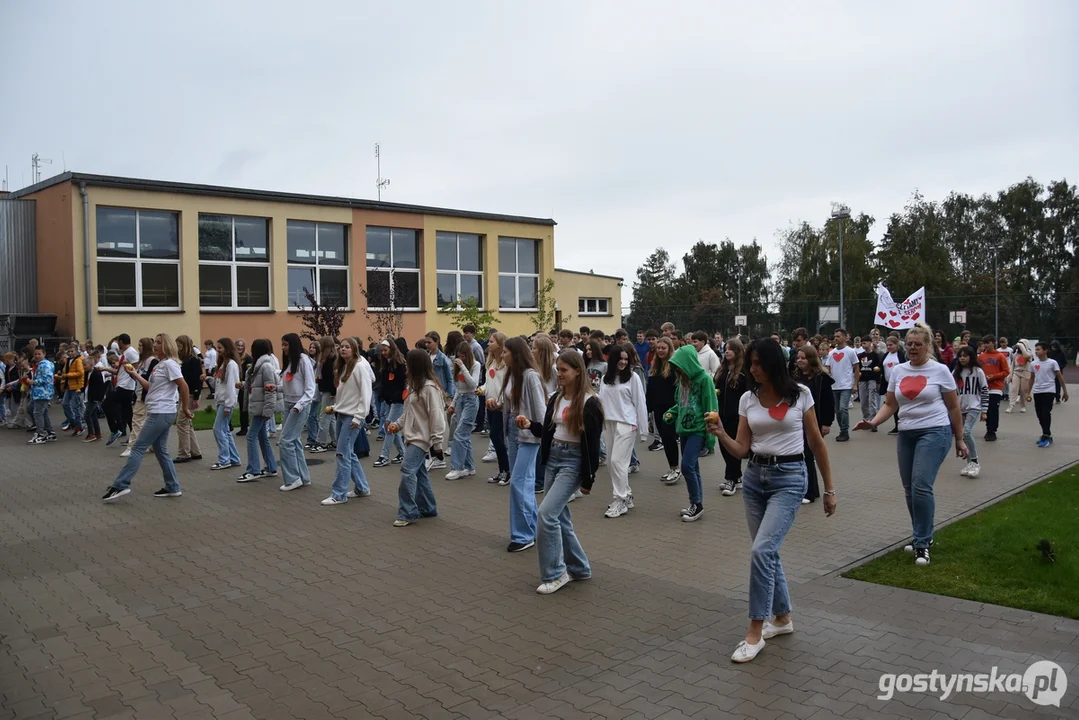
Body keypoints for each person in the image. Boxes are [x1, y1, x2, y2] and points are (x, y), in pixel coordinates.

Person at [708, 338, 836, 663]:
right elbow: (741, 449)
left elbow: (817, 444)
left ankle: (755, 632)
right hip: (754, 480)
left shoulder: (800, 395)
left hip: (790, 478)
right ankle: (782, 618)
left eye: (758, 363)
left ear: (773, 364)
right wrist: (722, 434)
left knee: (762, 551)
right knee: (767, 553)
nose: (752, 369)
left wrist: (829, 490)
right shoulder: (747, 398)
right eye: (750, 363)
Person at [855, 322, 968, 566]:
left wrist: (959, 439)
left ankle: (922, 543)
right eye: (911, 344)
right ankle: (922, 534)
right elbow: (890, 404)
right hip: (907, 434)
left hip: (935, 432)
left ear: (928, 346)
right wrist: (872, 422)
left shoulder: (939, 371)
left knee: (920, 485)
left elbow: (953, 407)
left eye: (918, 344)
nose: (913, 348)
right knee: (909, 488)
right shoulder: (899, 371)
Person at [534, 350, 603, 594]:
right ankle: (580, 567)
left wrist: (589, 479)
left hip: (573, 462)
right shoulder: (556, 397)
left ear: (577, 371)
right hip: (554, 457)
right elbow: (547, 429)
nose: (559, 373)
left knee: (546, 514)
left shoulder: (589, 402)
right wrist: (529, 424)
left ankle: (555, 573)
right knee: (559, 517)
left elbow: (593, 444)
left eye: (563, 370)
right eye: (558, 369)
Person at [102, 334, 193, 502]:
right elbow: (151, 387)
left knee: (137, 448)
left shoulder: (170, 364)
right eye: (155, 342)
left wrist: (185, 408)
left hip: (162, 412)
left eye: (159, 343)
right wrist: (134, 374)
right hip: (157, 411)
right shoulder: (160, 365)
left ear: (166, 346)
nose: (155, 345)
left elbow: (183, 385)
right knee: (161, 450)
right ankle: (173, 487)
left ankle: (121, 484)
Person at [501, 337, 547, 551]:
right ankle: (536, 529)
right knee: (524, 483)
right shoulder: (511, 374)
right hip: (513, 429)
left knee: (518, 482)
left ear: (515, 354)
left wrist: (537, 430)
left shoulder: (531, 377)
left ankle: (523, 535)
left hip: (528, 433)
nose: (502, 355)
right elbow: (512, 403)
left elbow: (541, 410)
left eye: (505, 352)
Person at [391, 350, 446, 526]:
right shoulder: (413, 385)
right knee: (419, 473)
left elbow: (436, 416)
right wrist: (397, 424)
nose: (405, 365)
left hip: (421, 438)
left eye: (408, 363)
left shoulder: (430, 388)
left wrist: (437, 442)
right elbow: (409, 412)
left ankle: (407, 512)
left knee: (407, 471)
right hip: (412, 435)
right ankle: (429, 507)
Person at [661, 344, 715, 521]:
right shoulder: (683, 382)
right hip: (683, 429)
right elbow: (681, 403)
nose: (677, 370)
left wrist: (711, 438)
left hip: (698, 430)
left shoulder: (704, 380)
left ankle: (696, 504)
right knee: (693, 468)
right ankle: (697, 503)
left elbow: (711, 406)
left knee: (686, 467)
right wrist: (672, 413)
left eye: (679, 366)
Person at [320, 337, 373, 504]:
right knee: (348, 453)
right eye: (341, 347)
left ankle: (338, 494)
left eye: (347, 347)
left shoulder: (359, 367)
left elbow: (366, 394)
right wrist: (336, 407)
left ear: (354, 349)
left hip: (353, 417)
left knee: (342, 453)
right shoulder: (343, 367)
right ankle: (362, 488)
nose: (343, 349)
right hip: (342, 414)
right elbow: (347, 395)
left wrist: (359, 417)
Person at [793, 344, 835, 503]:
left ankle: (810, 492)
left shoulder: (821, 378)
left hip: (815, 421)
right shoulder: (796, 377)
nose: (800, 361)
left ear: (811, 359)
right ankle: (806, 488)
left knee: (809, 455)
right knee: (802, 455)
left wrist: (826, 423)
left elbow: (828, 402)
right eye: (798, 358)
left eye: (803, 358)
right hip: (798, 421)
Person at [237, 339, 281, 483]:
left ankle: (253, 470)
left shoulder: (266, 366)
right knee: (262, 437)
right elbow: (257, 386)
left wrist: (268, 411)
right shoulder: (257, 366)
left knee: (251, 436)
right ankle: (270, 466)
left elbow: (270, 390)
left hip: (262, 408)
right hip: (258, 406)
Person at [279, 332, 317, 491]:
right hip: (289, 403)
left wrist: (299, 406)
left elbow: (310, 388)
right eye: (282, 344)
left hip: (299, 406)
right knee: (294, 441)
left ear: (293, 345)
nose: (283, 348)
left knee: (285, 441)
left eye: (286, 345)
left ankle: (293, 478)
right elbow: (291, 384)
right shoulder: (290, 361)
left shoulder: (303, 360)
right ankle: (303, 476)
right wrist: (276, 388)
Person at [715, 338, 748, 497]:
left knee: (733, 446)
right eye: (725, 349)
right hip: (721, 413)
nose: (727, 351)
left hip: (737, 415)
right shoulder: (722, 369)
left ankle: (732, 479)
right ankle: (736, 476)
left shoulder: (743, 372)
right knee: (723, 445)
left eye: (730, 349)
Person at [646, 337, 681, 484]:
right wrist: (648, 409)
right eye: (658, 348)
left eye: (663, 348)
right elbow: (651, 390)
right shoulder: (656, 367)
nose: (660, 350)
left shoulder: (674, 366)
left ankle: (676, 468)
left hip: (671, 409)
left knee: (670, 438)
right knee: (665, 440)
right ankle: (672, 467)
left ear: (669, 349)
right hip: (658, 409)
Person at [447, 342, 481, 479]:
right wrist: (453, 404)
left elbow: (473, 384)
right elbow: (458, 388)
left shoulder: (476, 365)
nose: (460, 358)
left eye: (463, 356)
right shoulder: (457, 368)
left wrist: (463, 367)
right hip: (461, 399)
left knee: (460, 433)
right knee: (464, 435)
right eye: (459, 356)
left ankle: (457, 467)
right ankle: (469, 466)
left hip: (471, 400)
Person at [953, 346, 988, 477]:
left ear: (971, 357)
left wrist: (984, 410)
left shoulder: (978, 371)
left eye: (965, 356)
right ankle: (969, 463)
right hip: (960, 408)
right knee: (962, 436)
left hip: (974, 407)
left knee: (965, 432)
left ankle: (975, 461)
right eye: (960, 356)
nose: (962, 358)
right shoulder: (955, 372)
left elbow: (984, 390)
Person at [1027, 342, 1069, 447]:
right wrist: (1028, 392)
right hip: (1037, 392)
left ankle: (1046, 435)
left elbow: (1060, 377)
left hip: (1049, 391)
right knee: (1039, 414)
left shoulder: (1052, 363)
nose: (1036, 352)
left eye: (1039, 349)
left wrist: (1065, 391)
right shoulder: (1033, 364)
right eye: (1035, 350)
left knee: (1045, 413)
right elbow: (1031, 378)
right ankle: (1046, 434)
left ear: (1045, 350)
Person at [374, 339, 408, 468]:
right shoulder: (386, 365)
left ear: (392, 350)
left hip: (398, 400)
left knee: (389, 426)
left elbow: (401, 383)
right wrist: (383, 396)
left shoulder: (399, 364)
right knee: (393, 428)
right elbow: (384, 382)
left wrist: (396, 397)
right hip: (389, 400)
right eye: (381, 351)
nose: (383, 353)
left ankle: (384, 456)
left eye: (385, 350)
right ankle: (402, 453)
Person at [483, 332, 511, 484]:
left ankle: (507, 470)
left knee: (497, 436)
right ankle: (502, 471)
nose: (488, 344)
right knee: (495, 437)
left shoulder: (506, 365)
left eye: (491, 341)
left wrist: (500, 401)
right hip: (490, 404)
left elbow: (506, 386)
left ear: (500, 344)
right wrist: (482, 389)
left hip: (501, 406)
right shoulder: (491, 362)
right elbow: (489, 383)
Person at [210, 338, 242, 471]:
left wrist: (229, 405)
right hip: (221, 401)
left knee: (218, 429)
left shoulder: (231, 365)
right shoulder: (223, 364)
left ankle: (224, 459)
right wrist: (209, 380)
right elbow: (220, 383)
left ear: (227, 349)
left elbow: (232, 386)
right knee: (225, 431)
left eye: (220, 348)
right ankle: (234, 458)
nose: (218, 351)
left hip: (226, 402)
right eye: (217, 348)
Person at [822, 329, 859, 442]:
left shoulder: (850, 351)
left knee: (843, 408)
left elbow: (856, 367)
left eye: (838, 336)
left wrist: (855, 384)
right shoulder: (832, 353)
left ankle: (844, 431)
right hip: (834, 386)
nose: (836, 338)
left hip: (846, 385)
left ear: (844, 337)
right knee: (837, 410)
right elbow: (827, 368)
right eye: (835, 336)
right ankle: (842, 430)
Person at [174, 336, 204, 463]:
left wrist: (196, 397)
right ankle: (195, 451)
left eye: (179, 345)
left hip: (191, 394)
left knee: (181, 422)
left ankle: (184, 453)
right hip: (184, 393)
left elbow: (198, 380)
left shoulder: (193, 360)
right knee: (187, 423)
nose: (177, 348)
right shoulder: (182, 360)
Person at [977, 335, 1009, 442]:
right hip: (984, 387)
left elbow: (1006, 371)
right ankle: (988, 429)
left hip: (996, 387)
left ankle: (992, 431)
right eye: (985, 343)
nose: (986, 345)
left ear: (994, 343)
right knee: (986, 409)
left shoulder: (1000, 356)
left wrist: (993, 376)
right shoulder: (981, 357)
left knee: (993, 409)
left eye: (988, 342)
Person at [311, 336, 338, 453]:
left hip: (329, 391)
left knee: (324, 416)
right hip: (325, 389)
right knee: (330, 417)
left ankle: (321, 442)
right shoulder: (326, 359)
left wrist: (333, 392)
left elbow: (332, 377)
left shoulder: (331, 359)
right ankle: (335, 440)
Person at [26, 346, 56, 444]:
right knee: (43, 413)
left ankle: (40, 434)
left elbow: (47, 378)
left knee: (38, 413)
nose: (37, 356)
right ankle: (50, 432)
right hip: (40, 392)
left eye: (39, 354)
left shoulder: (45, 365)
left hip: (42, 392)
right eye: (35, 354)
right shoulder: (40, 364)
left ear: (44, 354)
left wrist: (33, 382)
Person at [857, 337, 882, 430]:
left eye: (865, 343)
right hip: (862, 380)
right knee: (863, 401)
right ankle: (866, 419)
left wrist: (878, 380)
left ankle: (873, 421)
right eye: (862, 343)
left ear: (870, 343)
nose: (864, 345)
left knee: (872, 400)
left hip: (872, 380)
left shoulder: (875, 355)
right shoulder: (860, 356)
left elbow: (879, 368)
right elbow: (857, 367)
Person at [82, 349, 107, 442]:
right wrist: (81, 390)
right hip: (88, 396)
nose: (83, 367)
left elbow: (101, 386)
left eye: (85, 365)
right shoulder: (87, 373)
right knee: (93, 415)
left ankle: (91, 434)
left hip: (93, 398)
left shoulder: (96, 373)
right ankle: (97, 433)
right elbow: (86, 384)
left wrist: (99, 398)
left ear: (91, 365)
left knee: (87, 415)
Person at [1006, 339, 1033, 413]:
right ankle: (1011, 405)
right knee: (1014, 388)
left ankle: (1023, 405)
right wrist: (1010, 375)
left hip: (1025, 373)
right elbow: (1012, 365)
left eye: (1021, 344)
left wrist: (1022, 347)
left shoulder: (1029, 353)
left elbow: (1028, 357)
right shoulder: (1015, 354)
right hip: (1016, 372)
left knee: (1023, 390)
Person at [235, 339, 253, 437]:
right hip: (235, 384)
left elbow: (250, 372)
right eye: (238, 346)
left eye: (242, 346)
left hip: (243, 385)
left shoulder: (248, 358)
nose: (240, 348)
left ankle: (244, 427)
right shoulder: (234, 358)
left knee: (243, 407)